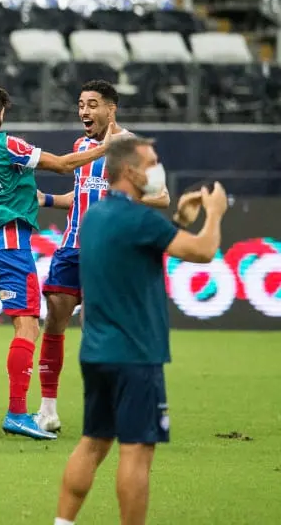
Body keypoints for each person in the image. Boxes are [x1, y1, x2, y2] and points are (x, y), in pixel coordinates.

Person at [54, 138, 227, 525]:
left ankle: (62, 522)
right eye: (151, 162)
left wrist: (180, 220)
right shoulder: (139, 219)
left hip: (97, 351)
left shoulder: (94, 216)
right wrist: (213, 214)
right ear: (130, 171)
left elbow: (140, 250)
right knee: (137, 451)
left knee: (93, 442)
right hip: (136, 354)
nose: (156, 168)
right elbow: (202, 251)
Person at [0, 83, 115, 441]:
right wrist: (105, 147)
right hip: (10, 248)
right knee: (27, 327)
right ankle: (18, 412)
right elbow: (65, 165)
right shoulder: (9, 145)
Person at [35, 81, 170, 433]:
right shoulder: (82, 147)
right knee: (54, 320)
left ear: (111, 109)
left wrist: (121, 199)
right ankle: (47, 409)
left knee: (101, 330)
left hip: (110, 254)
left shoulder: (137, 148)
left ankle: (112, 403)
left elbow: (163, 198)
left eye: (92, 105)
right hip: (71, 248)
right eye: (81, 104)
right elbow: (81, 195)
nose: (84, 111)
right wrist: (47, 199)